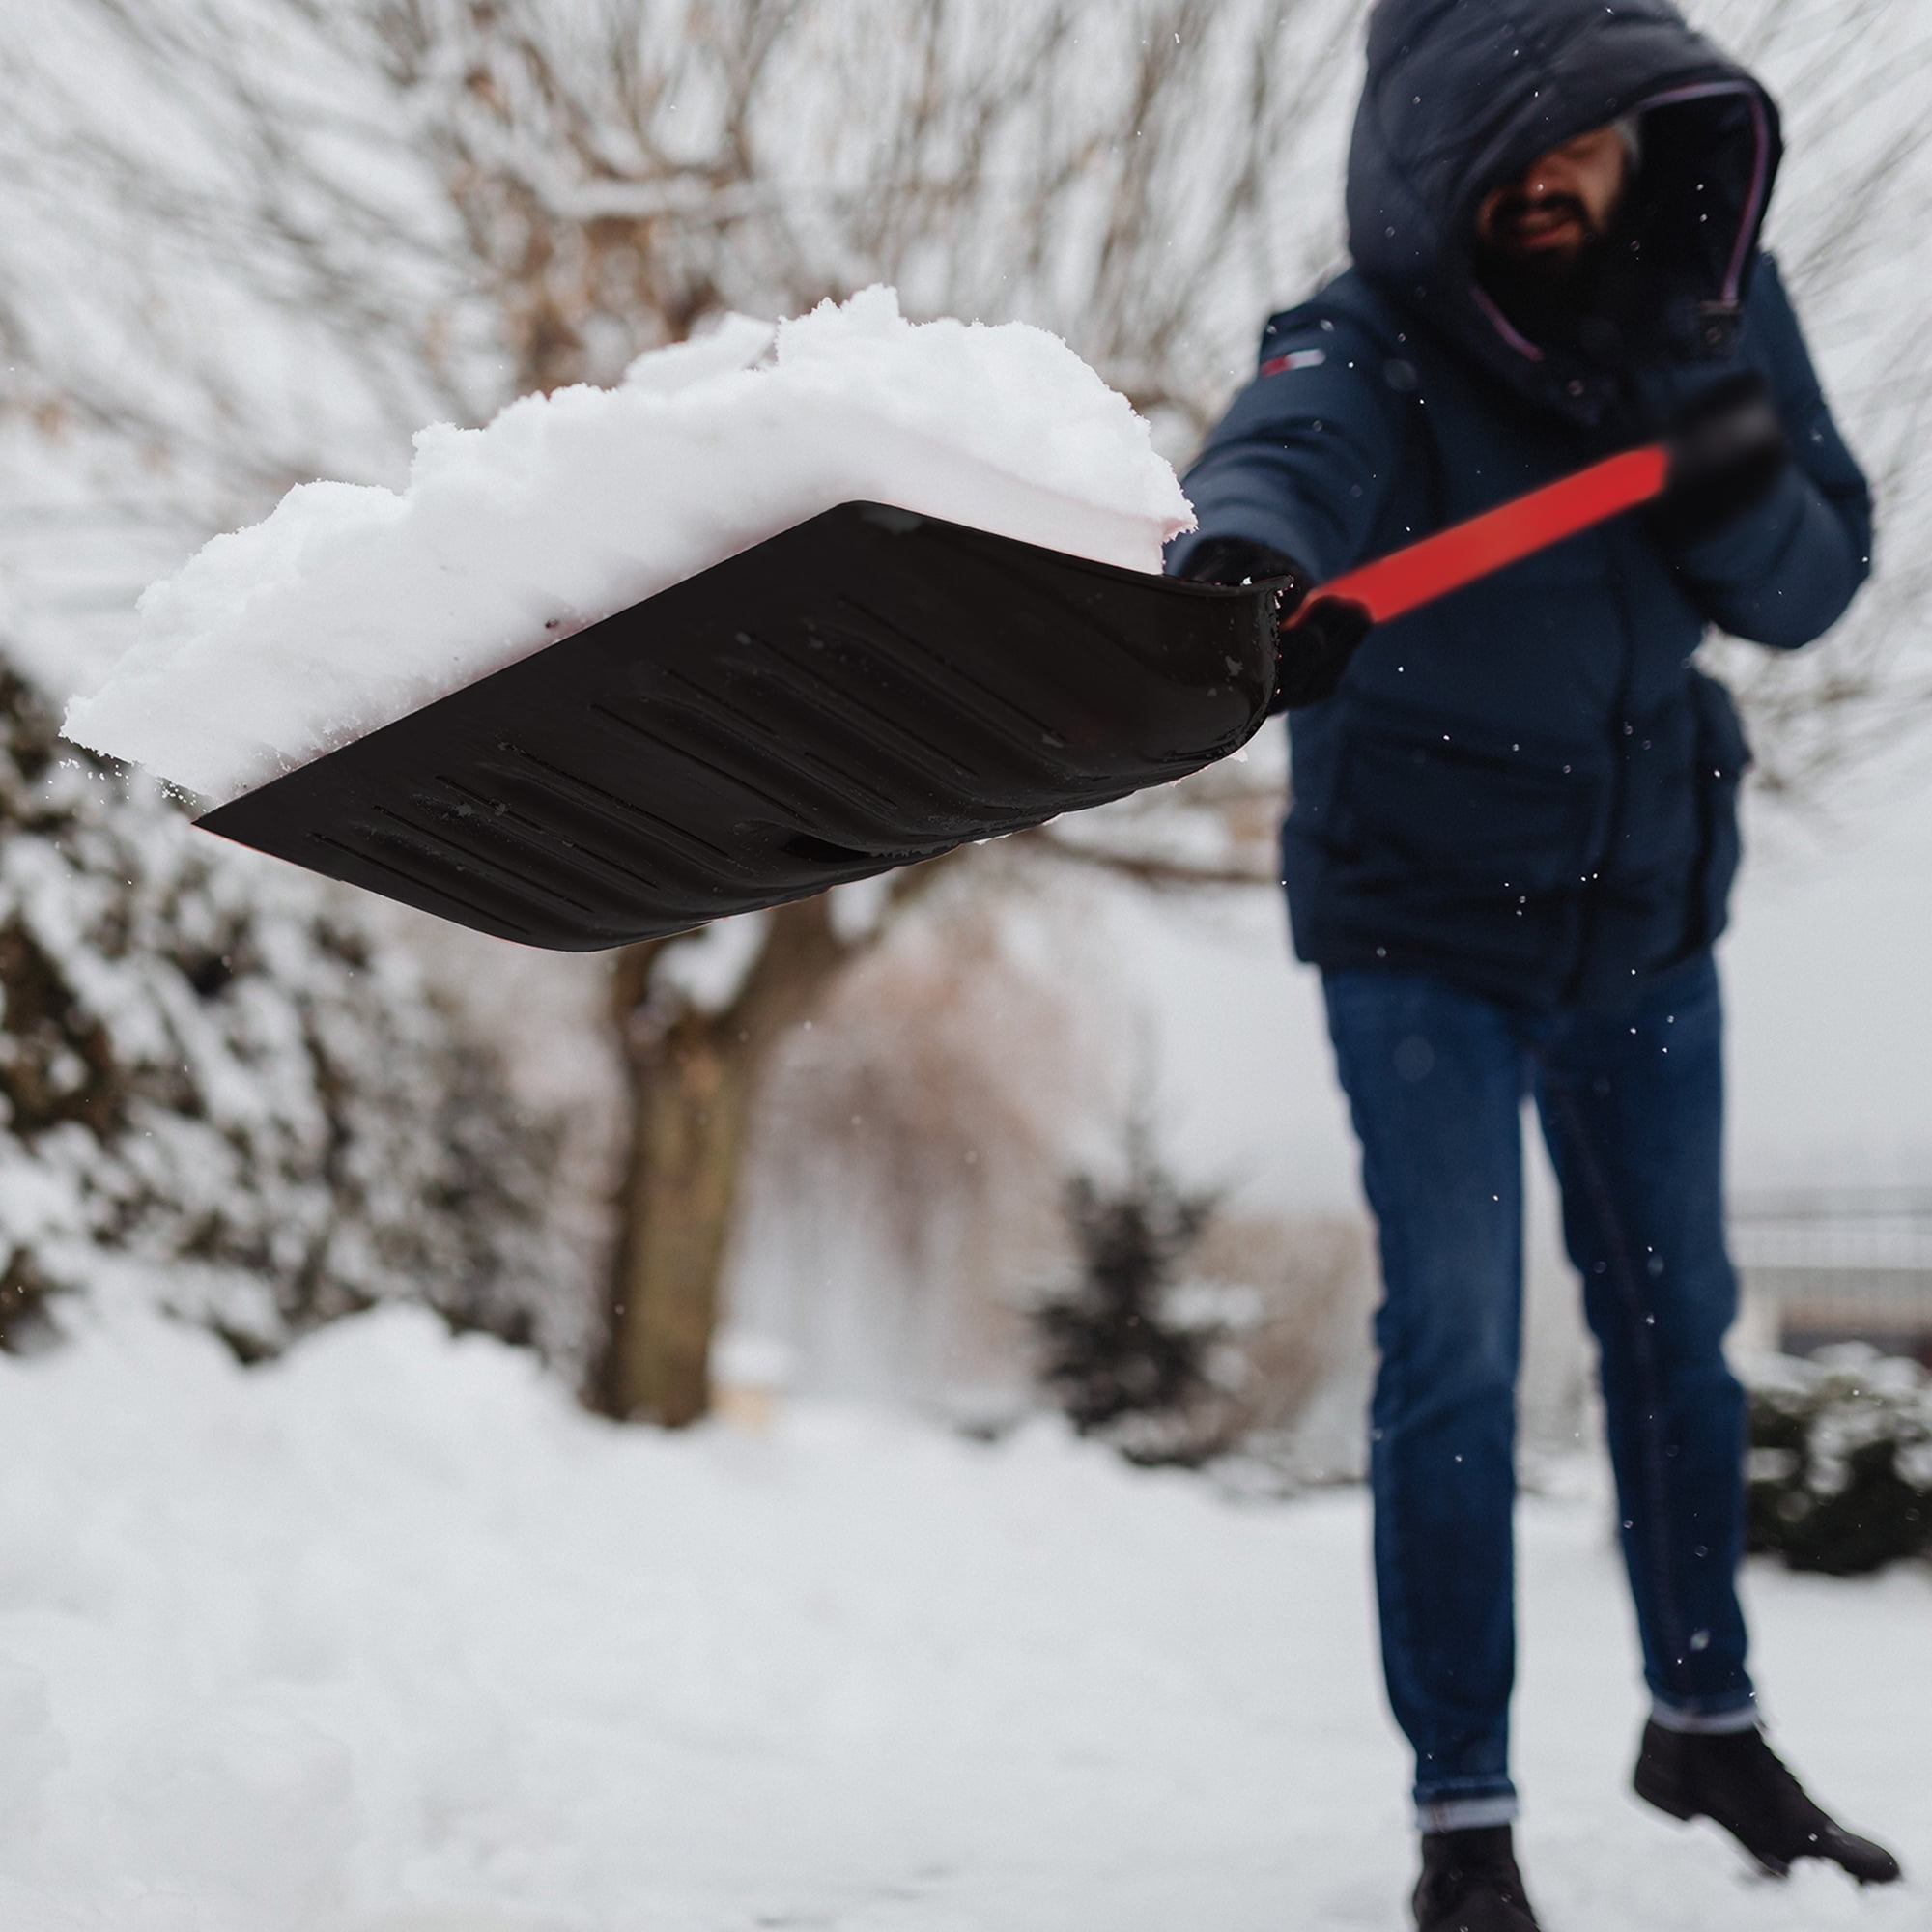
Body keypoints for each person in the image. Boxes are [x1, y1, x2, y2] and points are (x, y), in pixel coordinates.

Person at [1168, 2, 1900, 1926]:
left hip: (1643, 909)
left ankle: (1703, 1720)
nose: (1558, 179)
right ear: (1432, 150)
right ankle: (1463, 1819)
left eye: (1592, 138)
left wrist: (1725, 467)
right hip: (1422, 926)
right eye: (1517, 145)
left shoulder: (1711, 320)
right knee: (1463, 1347)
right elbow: (1281, 451)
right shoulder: (1370, 334)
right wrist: (1247, 569)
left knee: (1680, 1337)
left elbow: (1816, 582)